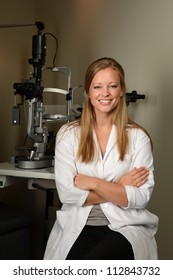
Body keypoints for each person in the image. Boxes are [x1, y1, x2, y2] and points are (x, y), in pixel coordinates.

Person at [44, 57, 158, 260]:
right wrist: (119, 186)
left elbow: (140, 198)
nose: (105, 93)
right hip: (78, 225)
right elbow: (68, 195)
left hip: (125, 226)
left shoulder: (138, 137)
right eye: (97, 86)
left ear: (121, 90)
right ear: (88, 92)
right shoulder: (68, 134)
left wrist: (93, 183)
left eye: (112, 86)